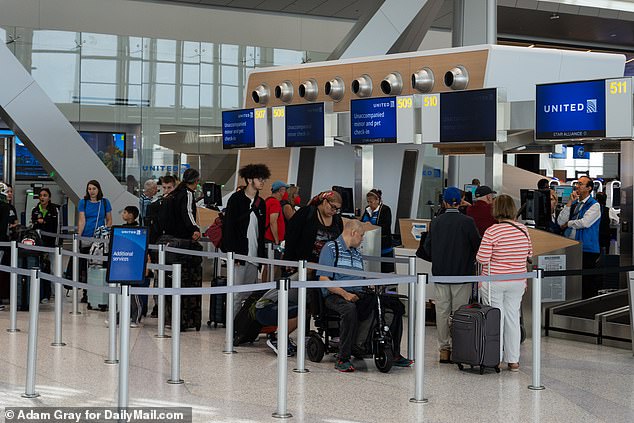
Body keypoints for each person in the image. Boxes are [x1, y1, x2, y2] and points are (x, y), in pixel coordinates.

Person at [317, 219, 411, 372]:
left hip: (358, 292)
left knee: (395, 305)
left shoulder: (356, 253)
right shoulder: (331, 248)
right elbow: (323, 279)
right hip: (335, 294)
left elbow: (360, 279)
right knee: (349, 309)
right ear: (353, 233)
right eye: (361, 236)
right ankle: (343, 358)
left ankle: (394, 353)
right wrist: (345, 293)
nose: (362, 240)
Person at [422, 186, 481, 364]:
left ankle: (444, 350)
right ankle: (459, 348)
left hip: (440, 274)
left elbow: (427, 248)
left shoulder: (436, 222)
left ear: (444, 202)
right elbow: (477, 246)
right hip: (462, 275)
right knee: (459, 313)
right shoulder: (468, 222)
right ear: (460, 201)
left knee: (441, 312)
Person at [476, 194, 532, 372]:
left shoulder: (492, 231)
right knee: (512, 319)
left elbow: (482, 258)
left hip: (494, 281)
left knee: (495, 319)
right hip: (517, 281)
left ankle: (495, 357)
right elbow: (529, 254)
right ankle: (513, 360)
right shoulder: (524, 230)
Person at [222, 164, 270, 315]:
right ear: (250, 180)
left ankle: (242, 325)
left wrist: (261, 256)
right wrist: (232, 252)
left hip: (254, 255)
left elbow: (260, 231)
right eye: (259, 179)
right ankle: (232, 325)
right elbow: (228, 227)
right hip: (239, 254)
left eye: (263, 179)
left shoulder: (260, 203)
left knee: (249, 294)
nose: (262, 182)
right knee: (236, 293)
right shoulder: (235, 200)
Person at [557, 176, 601, 299]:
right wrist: (569, 203)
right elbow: (561, 221)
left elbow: (584, 223)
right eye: (577, 183)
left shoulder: (594, 205)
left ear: (589, 188)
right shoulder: (575, 204)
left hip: (587, 249)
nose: (577, 186)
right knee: (573, 281)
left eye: (581, 184)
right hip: (571, 247)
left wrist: (568, 224)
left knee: (586, 282)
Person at [285, 190, 344, 268]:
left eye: (337, 209)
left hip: (327, 267)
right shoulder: (307, 212)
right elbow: (291, 236)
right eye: (333, 207)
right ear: (325, 202)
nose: (334, 211)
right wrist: (289, 261)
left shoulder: (337, 219)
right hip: (303, 265)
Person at [77, 180, 112, 300]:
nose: (91, 191)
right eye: (89, 189)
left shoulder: (105, 202)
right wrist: (79, 236)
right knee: (86, 265)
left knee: (99, 264)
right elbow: (82, 220)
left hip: (100, 239)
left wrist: (106, 232)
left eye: (94, 188)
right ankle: (86, 292)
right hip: (87, 236)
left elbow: (109, 220)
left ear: (98, 189)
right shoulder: (83, 202)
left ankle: (99, 289)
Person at [30, 188, 60, 303]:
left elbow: (57, 226)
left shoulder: (55, 210)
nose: (42, 198)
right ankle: (43, 292)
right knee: (41, 267)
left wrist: (57, 243)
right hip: (39, 244)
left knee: (54, 269)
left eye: (45, 195)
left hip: (52, 243)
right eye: (41, 196)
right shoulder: (35, 210)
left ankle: (54, 292)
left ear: (49, 197)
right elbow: (33, 224)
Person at [255, 288, 298, 357]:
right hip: (264, 309)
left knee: (303, 310)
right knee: (300, 311)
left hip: (274, 306)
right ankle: (278, 339)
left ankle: (284, 339)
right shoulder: (303, 280)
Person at [161, 168, 201, 241]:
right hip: (183, 235)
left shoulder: (177, 192)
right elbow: (188, 212)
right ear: (196, 181)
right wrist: (194, 228)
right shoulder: (187, 193)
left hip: (171, 234)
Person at [361, 189, 394, 273]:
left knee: (384, 270)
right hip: (369, 245)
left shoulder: (385, 210)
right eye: (368, 202)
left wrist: (371, 226)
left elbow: (385, 227)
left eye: (371, 202)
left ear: (377, 200)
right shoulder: (367, 210)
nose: (369, 204)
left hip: (383, 245)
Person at [265, 180, 289, 246]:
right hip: (271, 240)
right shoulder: (275, 203)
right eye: (284, 190)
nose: (285, 193)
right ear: (280, 190)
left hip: (267, 237)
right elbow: (273, 222)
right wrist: (276, 240)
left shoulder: (268, 200)